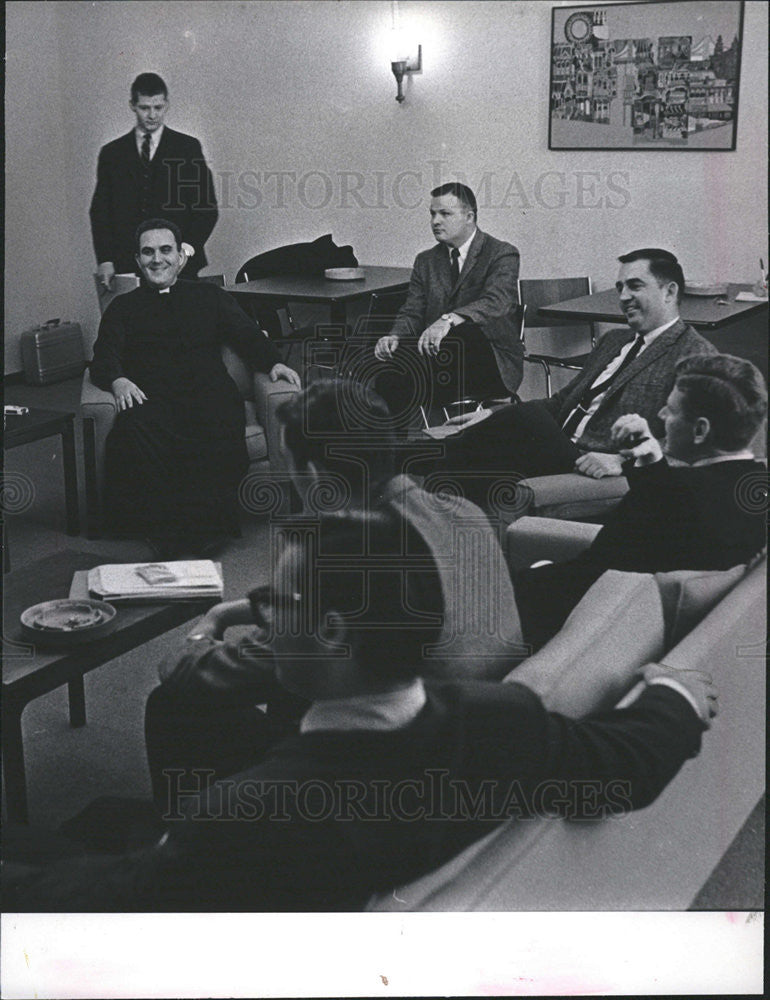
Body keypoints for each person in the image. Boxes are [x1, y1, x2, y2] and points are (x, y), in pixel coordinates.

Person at [8, 508, 716, 912]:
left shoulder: (246, 813)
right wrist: (675, 694)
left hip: (196, 905)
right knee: (148, 753)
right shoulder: (503, 720)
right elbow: (627, 765)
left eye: (274, 603)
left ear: (337, 633)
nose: (260, 617)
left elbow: (103, 906)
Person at [143, 377, 527, 807]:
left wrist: (208, 625)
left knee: (173, 703)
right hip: (473, 735)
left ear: (311, 473)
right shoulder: (463, 511)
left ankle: (186, 836)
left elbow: (192, 672)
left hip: (393, 770)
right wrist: (253, 607)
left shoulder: (348, 564)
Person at [514, 353, 768, 649]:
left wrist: (531, 575)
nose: (660, 415)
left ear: (700, 430)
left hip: (576, 632)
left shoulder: (674, 498)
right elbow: (678, 529)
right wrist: (651, 461)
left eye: (671, 410)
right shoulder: (755, 488)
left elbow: (591, 573)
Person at [434, 248, 717, 508]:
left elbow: (696, 443)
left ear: (669, 291)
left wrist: (623, 459)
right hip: (556, 448)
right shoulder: (614, 340)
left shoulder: (695, 355)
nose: (623, 297)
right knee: (477, 464)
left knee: (527, 419)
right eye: (620, 288)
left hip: (590, 462)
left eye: (635, 286)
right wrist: (492, 415)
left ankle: (422, 464)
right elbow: (560, 402)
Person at [89, 218, 301, 556]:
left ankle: (201, 533)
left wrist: (273, 361)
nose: (157, 259)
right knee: (132, 434)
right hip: (152, 399)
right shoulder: (123, 307)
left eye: (165, 250)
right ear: (137, 260)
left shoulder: (209, 295)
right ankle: (165, 530)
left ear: (181, 257)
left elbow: (246, 334)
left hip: (209, 396)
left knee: (216, 435)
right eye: (148, 252)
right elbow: (104, 354)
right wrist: (117, 379)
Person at [371, 182, 522, 427]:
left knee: (456, 339)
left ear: (469, 217)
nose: (435, 221)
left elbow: (498, 302)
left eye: (445, 214)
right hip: (440, 358)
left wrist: (447, 320)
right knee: (390, 376)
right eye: (432, 213)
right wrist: (395, 336)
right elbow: (413, 310)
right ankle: (395, 455)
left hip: (489, 361)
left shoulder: (501, 254)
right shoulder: (426, 260)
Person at [90, 73, 218, 286]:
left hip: (180, 267)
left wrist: (184, 251)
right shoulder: (112, 154)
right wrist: (105, 259)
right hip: (128, 265)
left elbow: (206, 208)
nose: (152, 115)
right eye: (144, 108)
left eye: (158, 108)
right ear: (132, 105)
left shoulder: (188, 148)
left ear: (166, 104)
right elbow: (100, 212)